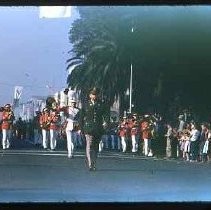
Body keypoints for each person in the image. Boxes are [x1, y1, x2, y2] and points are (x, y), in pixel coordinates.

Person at [80, 88, 108, 171]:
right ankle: (90, 163)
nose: (94, 96)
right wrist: (81, 128)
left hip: (98, 128)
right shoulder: (85, 105)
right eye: (92, 94)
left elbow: (106, 114)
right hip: (88, 128)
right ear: (90, 95)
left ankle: (94, 162)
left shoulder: (101, 104)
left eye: (96, 94)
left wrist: (106, 122)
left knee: (95, 147)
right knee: (89, 144)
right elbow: (81, 117)